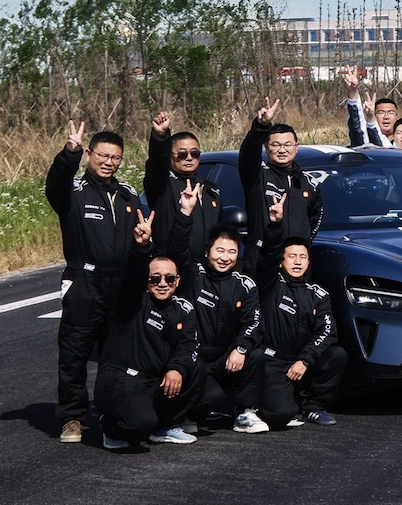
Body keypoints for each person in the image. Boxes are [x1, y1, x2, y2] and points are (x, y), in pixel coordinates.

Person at [47, 122, 149, 443]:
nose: (108, 162)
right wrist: (69, 154)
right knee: (75, 352)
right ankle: (72, 418)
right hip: (84, 281)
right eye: (102, 155)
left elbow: (136, 240)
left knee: (117, 354)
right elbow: (55, 185)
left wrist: (142, 243)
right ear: (90, 154)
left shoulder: (128, 194)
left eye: (115, 157)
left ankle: (110, 413)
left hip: (120, 285)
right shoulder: (73, 192)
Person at [96, 249, 207, 450]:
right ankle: (110, 426)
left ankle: (166, 426)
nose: (163, 284)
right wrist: (141, 247)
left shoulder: (183, 308)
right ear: (146, 280)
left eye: (169, 278)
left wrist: (177, 369)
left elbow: (189, 345)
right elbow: (131, 277)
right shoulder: (133, 301)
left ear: (178, 280)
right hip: (122, 378)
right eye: (155, 278)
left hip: (151, 380)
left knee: (196, 368)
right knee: (141, 424)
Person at [176, 223, 268, 434]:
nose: (225, 257)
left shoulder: (245, 284)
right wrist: (185, 216)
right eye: (220, 250)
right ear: (207, 251)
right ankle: (187, 415)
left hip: (225, 358)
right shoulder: (193, 275)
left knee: (256, 354)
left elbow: (254, 323)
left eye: (232, 252)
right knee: (211, 397)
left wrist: (241, 348)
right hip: (195, 356)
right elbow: (177, 249)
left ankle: (245, 413)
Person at [259, 239, 348, 429]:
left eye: (302, 257)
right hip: (274, 361)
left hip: (303, 361)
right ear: (281, 261)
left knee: (337, 355)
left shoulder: (319, 294)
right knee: (279, 415)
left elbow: (327, 331)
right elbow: (266, 259)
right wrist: (274, 228)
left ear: (308, 262)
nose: (297, 262)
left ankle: (314, 407)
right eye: (292, 257)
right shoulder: (270, 286)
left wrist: (305, 360)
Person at [238, 98, 323, 284]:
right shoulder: (257, 176)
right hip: (262, 259)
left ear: (296, 148)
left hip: (295, 264)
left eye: (287, 145)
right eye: (276, 145)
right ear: (266, 148)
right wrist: (261, 126)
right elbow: (248, 154)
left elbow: (314, 219)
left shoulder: (309, 184)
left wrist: (302, 243)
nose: (282, 150)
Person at [142, 112, 223, 267]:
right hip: (171, 266)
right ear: (171, 156)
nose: (189, 157)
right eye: (182, 153)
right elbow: (156, 163)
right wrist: (160, 137)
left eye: (194, 153)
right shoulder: (162, 183)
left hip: (205, 269)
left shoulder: (211, 190)